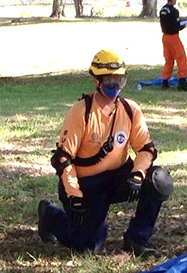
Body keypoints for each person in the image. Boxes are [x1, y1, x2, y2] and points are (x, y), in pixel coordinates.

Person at [38, 50, 174, 255]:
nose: (115, 86)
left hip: (119, 176)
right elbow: (64, 159)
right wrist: (74, 194)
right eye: (110, 80)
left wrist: (137, 175)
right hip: (87, 184)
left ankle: (137, 240)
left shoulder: (130, 110)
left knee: (158, 181)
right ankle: (49, 216)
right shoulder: (80, 112)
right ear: (96, 81)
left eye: (120, 80)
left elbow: (146, 149)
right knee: (87, 246)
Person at [159, 0, 187, 91]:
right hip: (173, 37)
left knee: (169, 60)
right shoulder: (174, 11)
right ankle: (182, 82)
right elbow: (176, 25)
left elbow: (168, 22)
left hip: (165, 37)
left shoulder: (163, 10)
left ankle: (165, 81)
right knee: (181, 59)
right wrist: (183, 25)